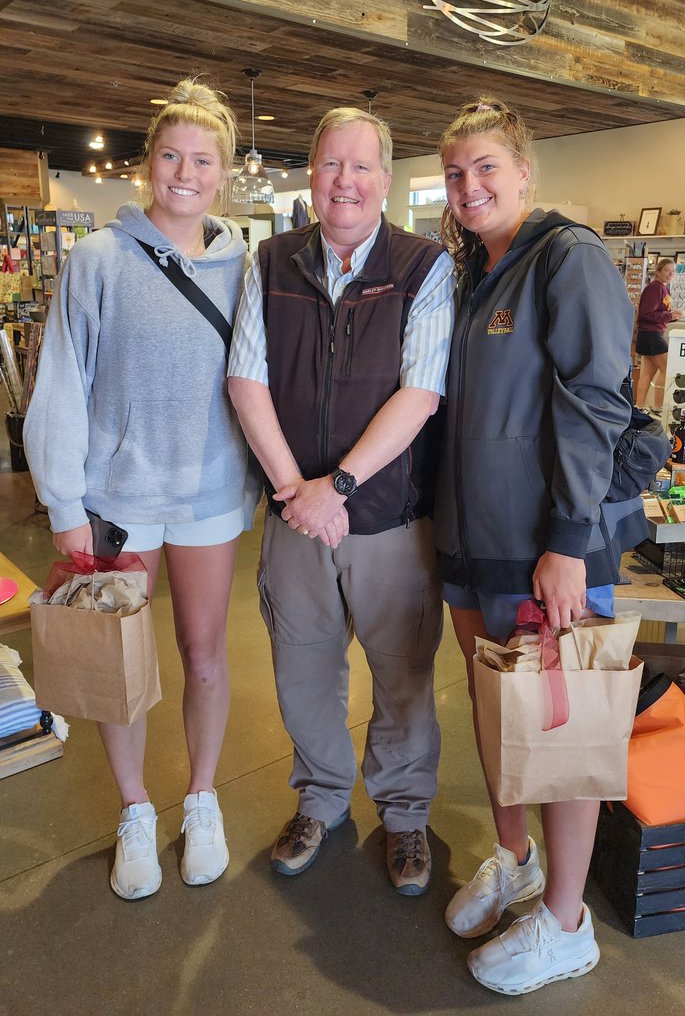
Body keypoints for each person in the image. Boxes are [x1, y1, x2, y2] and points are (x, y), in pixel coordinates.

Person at [433, 98, 646, 995]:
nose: (469, 186)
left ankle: (566, 923)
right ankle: (515, 860)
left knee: (562, 726)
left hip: (545, 548)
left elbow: (600, 399)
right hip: (475, 547)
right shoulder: (474, 272)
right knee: (501, 715)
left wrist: (565, 542)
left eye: (486, 167)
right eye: (455, 174)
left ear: (525, 172)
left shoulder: (569, 257)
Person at [24, 78, 254, 901]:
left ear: (221, 173)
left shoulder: (242, 269)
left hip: (211, 493)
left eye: (202, 160)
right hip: (117, 498)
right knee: (119, 659)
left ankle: (200, 798)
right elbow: (60, 381)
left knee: (204, 655)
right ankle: (134, 811)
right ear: (147, 164)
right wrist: (61, 506)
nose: (184, 173)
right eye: (170, 155)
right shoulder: (97, 261)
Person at [227, 107, 455, 895]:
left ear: (386, 181)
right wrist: (299, 492)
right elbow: (245, 380)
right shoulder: (270, 261)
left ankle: (404, 815)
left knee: (403, 677)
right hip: (295, 518)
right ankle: (320, 801)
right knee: (302, 667)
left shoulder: (425, 266)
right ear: (312, 174)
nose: (346, 181)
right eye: (331, 165)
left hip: (389, 515)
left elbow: (420, 392)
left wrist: (341, 487)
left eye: (362, 167)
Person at [635, 257, 683, 411]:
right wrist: (670, 316)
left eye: (673, 271)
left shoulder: (663, 288)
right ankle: (658, 406)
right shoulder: (655, 288)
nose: (671, 274)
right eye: (667, 270)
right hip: (651, 335)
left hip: (651, 334)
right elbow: (646, 314)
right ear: (658, 272)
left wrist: (672, 316)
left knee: (648, 372)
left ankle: (640, 406)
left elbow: (658, 313)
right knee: (667, 369)